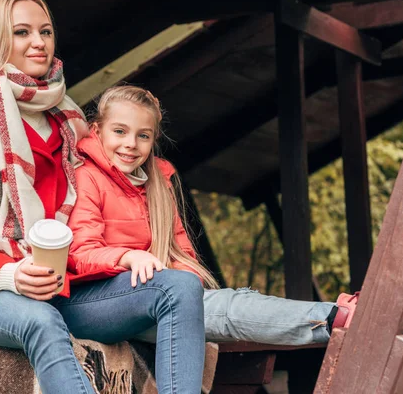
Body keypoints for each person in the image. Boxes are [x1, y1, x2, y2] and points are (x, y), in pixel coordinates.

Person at [0, 0, 206, 393]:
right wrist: (12, 275)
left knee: (179, 286)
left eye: (45, 31)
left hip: (69, 288)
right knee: (40, 320)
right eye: (21, 32)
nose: (38, 42)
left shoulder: (72, 128)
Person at [68, 85, 359, 347]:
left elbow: (183, 254)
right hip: (110, 304)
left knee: (227, 304)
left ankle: (335, 317)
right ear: (97, 131)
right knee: (228, 309)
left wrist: (181, 284)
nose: (131, 144)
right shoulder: (86, 178)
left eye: (142, 136)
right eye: (119, 131)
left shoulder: (158, 185)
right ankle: (334, 316)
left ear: (153, 139)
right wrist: (128, 258)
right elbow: (81, 253)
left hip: (159, 298)